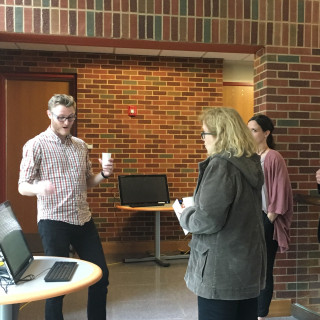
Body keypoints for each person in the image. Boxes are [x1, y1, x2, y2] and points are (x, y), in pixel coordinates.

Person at [18, 94, 113, 320]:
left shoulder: (80, 146)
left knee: (101, 275)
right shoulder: (35, 145)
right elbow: (23, 186)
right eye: (61, 117)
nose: (66, 123)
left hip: (82, 218)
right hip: (53, 220)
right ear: (49, 115)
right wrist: (39, 188)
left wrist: (104, 174)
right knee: (57, 283)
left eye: (71, 117)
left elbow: (87, 181)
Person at [179, 107, 267, 320]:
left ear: (220, 135)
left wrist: (185, 214)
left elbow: (207, 219)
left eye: (204, 133)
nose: (202, 139)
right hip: (246, 264)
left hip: (221, 270)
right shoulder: (250, 162)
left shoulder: (221, 166)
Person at [247, 114, 293, 320]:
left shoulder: (273, 157)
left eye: (254, 130)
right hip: (248, 220)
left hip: (266, 219)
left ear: (266, 133)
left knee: (264, 271)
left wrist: (270, 219)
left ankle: (261, 315)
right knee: (249, 268)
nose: (249, 134)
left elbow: (282, 192)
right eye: (247, 129)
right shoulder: (247, 156)